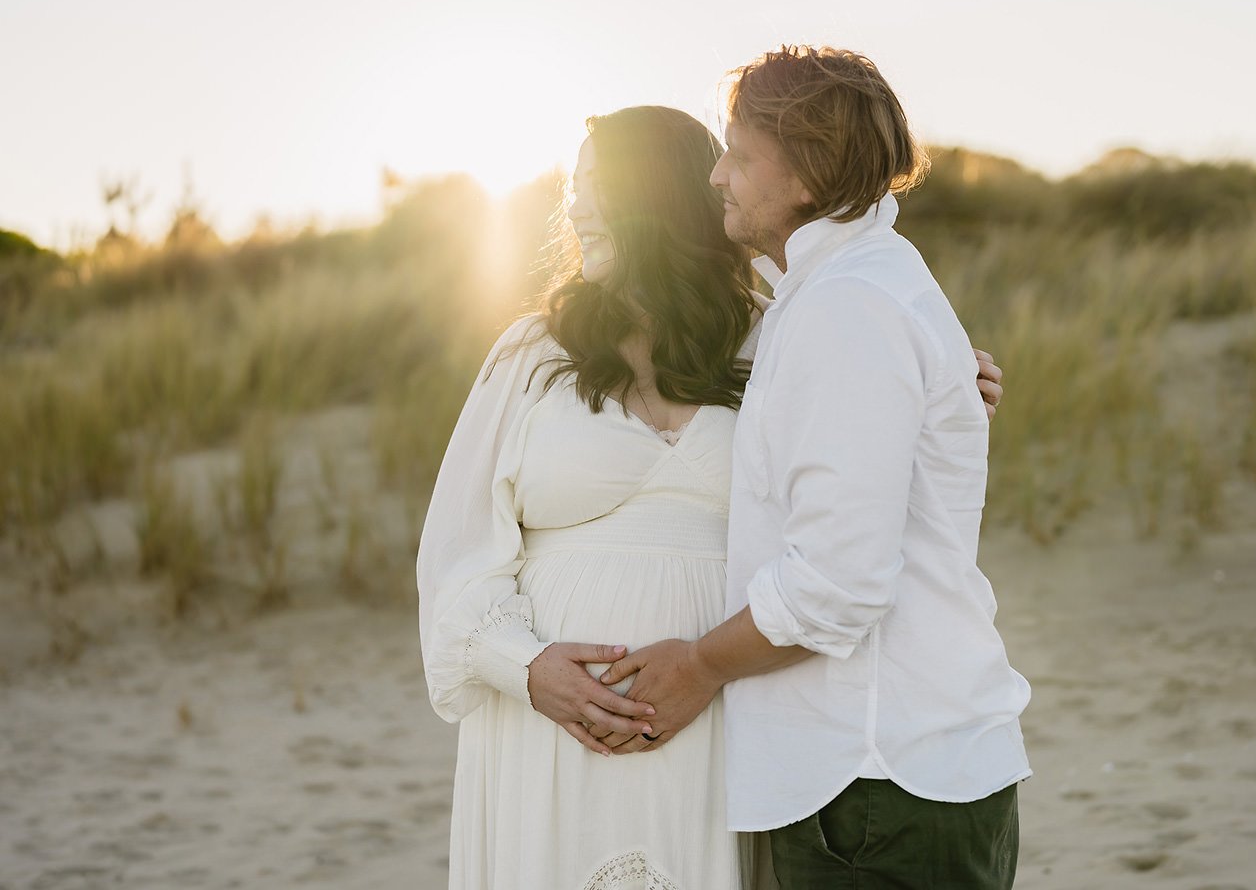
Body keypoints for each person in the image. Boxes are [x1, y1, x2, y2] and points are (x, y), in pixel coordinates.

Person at [416, 104, 1004, 889]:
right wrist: (526, 669)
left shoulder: (783, 335)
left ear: (662, 198)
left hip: (723, 709)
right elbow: (457, 552)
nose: (576, 208)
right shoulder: (530, 352)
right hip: (551, 730)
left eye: (598, 186)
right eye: (572, 187)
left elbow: (858, 482)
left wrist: (938, 389)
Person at [598, 48, 1032, 889]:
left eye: (739, 154)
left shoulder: (849, 308)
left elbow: (839, 584)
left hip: (878, 782)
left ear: (802, 174)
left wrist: (700, 665)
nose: (717, 176)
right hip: (886, 779)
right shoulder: (838, 294)